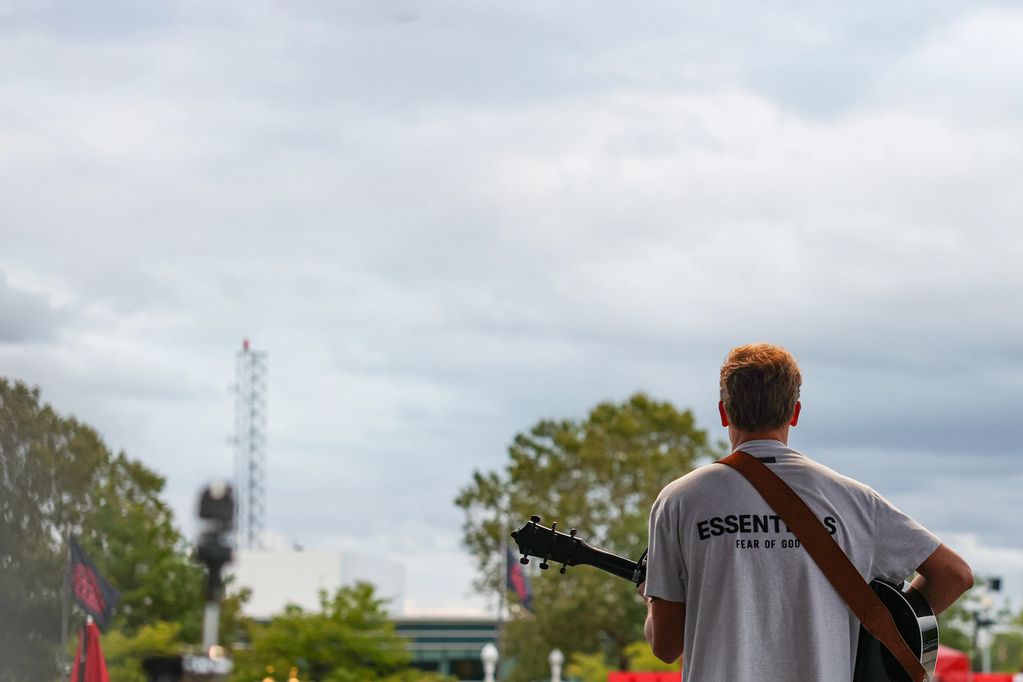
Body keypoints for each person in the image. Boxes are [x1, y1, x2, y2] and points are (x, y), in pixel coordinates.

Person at [640, 342, 973, 681]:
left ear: (724, 411)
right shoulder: (853, 500)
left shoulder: (680, 500)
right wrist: (887, 634)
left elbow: (666, 646)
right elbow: (954, 575)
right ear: (795, 413)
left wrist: (652, 597)